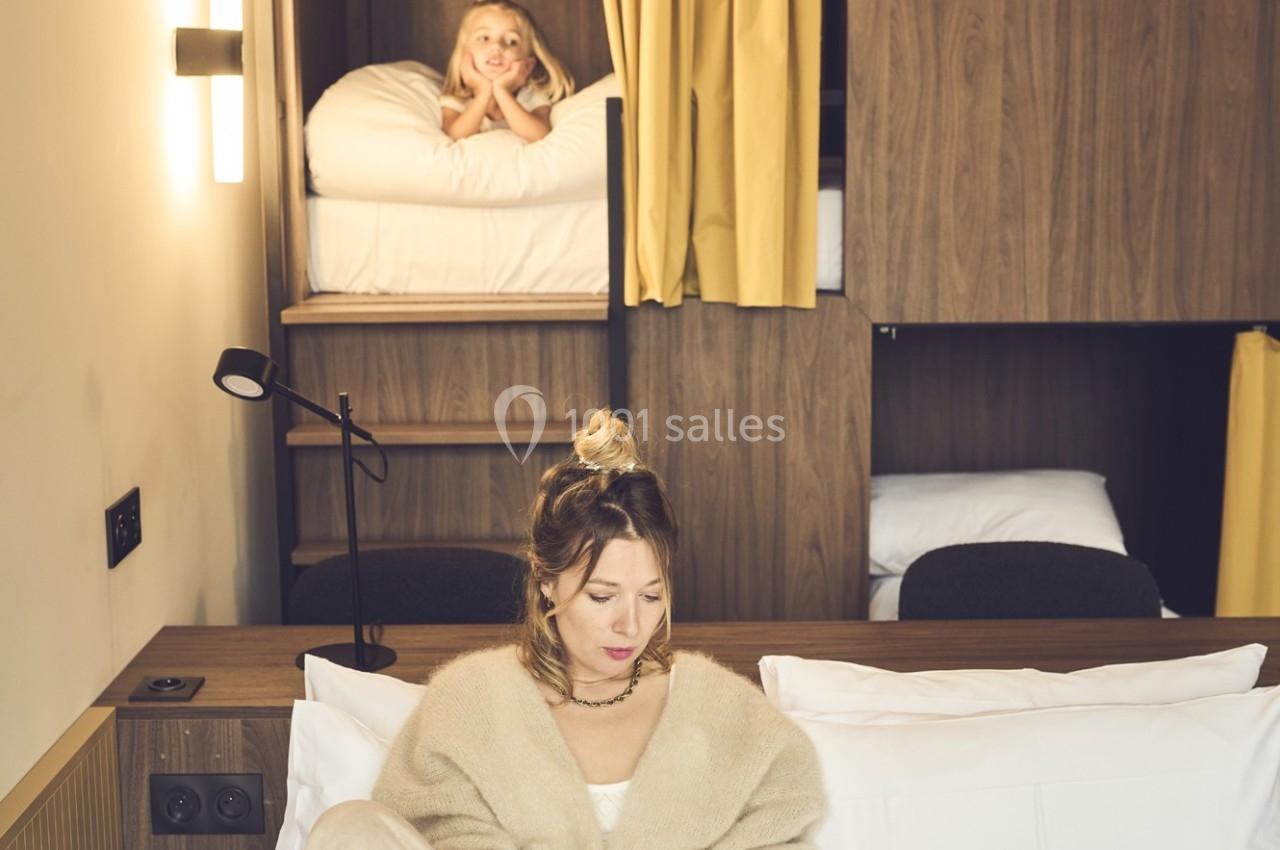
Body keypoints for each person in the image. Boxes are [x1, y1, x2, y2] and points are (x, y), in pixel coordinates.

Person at [306, 410, 827, 849]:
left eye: (651, 596)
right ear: (546, 581)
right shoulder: (470, 700)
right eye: (602, 596)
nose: (631, 624)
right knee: (347, 826)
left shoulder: (719, 705)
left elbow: (783, 815)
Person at [439, 1, 573, 143]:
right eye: (484, 38)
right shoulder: (457, 98)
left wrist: (502, 91)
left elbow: (539, 135)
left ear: (528, 65)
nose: (496, 46)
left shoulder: (531, 96)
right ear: (464, 55)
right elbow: (453, 135)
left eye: (511, 42)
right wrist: (485, 92)